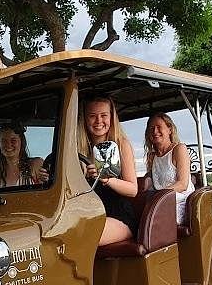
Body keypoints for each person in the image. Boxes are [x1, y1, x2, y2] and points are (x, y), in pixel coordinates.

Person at [78, 97, 138, 245]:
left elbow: (133, 190)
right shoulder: (78, 150)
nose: (99, 121)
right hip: (88, 214)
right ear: (85, 119)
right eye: (92, 116)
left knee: (86, 236)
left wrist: (106, 179)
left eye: (104, 115)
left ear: (111, 117)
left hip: (118, 215)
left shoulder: (121, 144)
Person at [144, 112, 194, 224]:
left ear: (169, 129)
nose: (155, 131)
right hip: (159, 201)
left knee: (154, 218)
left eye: (159, 127)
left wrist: (160, 196)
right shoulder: (151, 156)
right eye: (151, 128)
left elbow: (182, 184)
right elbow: (152, 183)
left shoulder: (179, 149)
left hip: (181, 201)